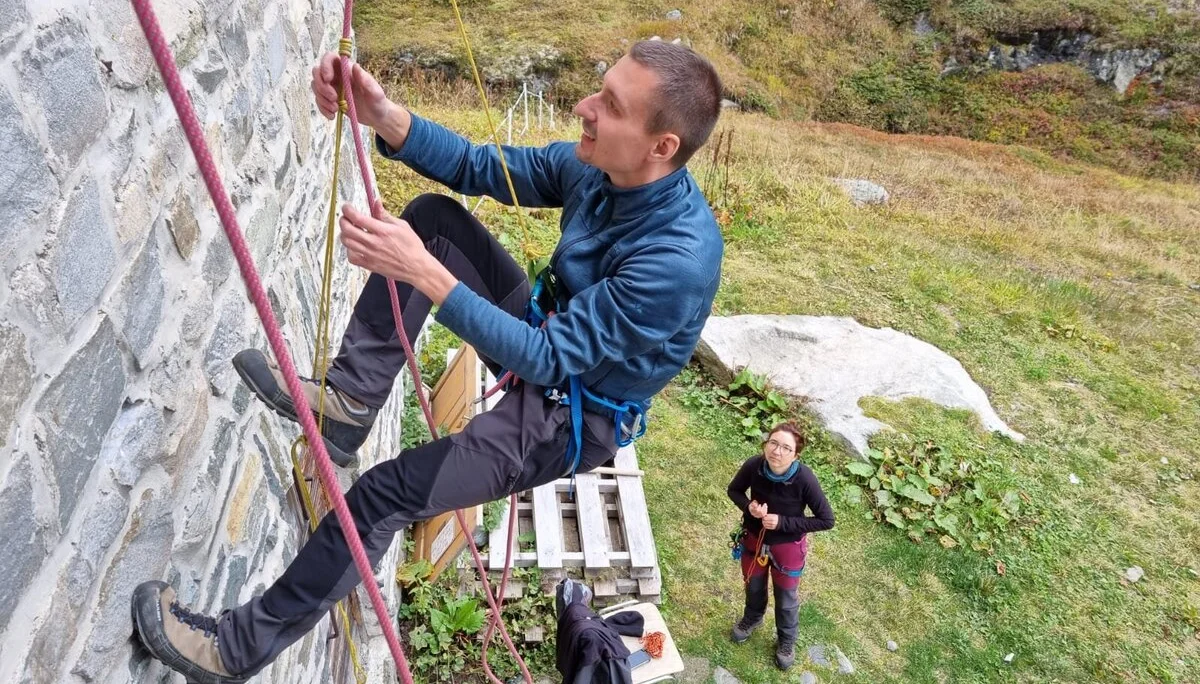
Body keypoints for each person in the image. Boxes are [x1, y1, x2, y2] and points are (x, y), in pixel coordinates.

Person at [130, 39, 724, 684]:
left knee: (384, 495)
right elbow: (480, 165)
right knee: (436, 220)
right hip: (548, 335)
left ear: (661, 146)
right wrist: (381, 113)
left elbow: (550, 361)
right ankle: (350, 401)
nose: (583, 107)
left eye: (609, 104)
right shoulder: (601, 170)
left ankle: (234, 650)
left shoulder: (677, 260)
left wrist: (425, 275)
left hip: (566, 418)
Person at [726, 422, 834, 671]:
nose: (777, 451)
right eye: (773, 443)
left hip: (787, 546)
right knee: (753, 584)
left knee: (786, 598)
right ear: (766, 444)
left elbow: (826, 520)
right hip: (754, 538)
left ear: (795, 455)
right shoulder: (755, 465)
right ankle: (752, 618)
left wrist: (783, 522)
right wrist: (749, 507)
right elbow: (734, 491)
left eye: (786, 447)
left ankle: (786, 641)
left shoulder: (804, 478)